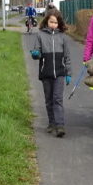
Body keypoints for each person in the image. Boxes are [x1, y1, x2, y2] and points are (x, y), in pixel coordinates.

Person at [30, 9, 72, 137]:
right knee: (49, 100)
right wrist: (36, 54)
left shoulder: (63, 37)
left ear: (59, 23)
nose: (53, 24)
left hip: (59, 73)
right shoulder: (40, 35)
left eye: (56, 22)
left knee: (57, 99)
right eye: (51, 22)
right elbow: (36, 51)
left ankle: (60, 125)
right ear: (46, 21)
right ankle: (52, 123)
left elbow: (67, 57)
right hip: (46, 73)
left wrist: (68, 73)